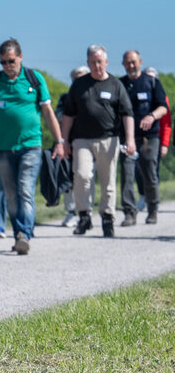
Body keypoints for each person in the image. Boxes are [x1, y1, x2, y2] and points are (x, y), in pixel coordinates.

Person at [0, 39, 65, 254]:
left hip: (30, 145)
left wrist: (59, 141)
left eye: (11, 61)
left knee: (25, 189)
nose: (7, 66)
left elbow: (49, 113)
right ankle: (19, 235)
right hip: (3, 147)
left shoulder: (34, 79)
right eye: (3, 62)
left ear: (20, 57)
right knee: (11, 195)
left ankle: (25, 234)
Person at [61, 44, 135, 237]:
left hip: (108, 139)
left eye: (100, 62)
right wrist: (63, 141)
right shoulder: (79, 85)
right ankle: (84, 216)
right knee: (82, 176)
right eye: (93, 62)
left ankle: (108, 218)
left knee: (107, 180)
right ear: (88, 63)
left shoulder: (115, 84)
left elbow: (127, 113)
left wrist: (130, 139)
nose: (97, 66)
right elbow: (68, 114)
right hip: (82, 139)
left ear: (106, 62)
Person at [118, 50, 167, 225]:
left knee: (149, 173)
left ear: (140, 62)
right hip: (127, 139)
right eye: (128, 63)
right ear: (123, 64)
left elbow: (163, 108)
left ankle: (152, 209)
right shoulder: (120, 84)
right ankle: (129, 212)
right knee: (127, 174)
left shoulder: (151, 82)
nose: (131, 66)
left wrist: (152, 116)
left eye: (134, 62)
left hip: (149, 138)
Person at [56, 66, 92, 227]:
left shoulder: (93, 96)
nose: (80, 80)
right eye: (76, 77)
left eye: (83, 77)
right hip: (69, 144)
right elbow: (58, 117)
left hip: (90, 144)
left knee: (86, 178)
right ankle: (71, 211)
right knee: (68, 180)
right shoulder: (66, 98)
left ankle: (86, 211)